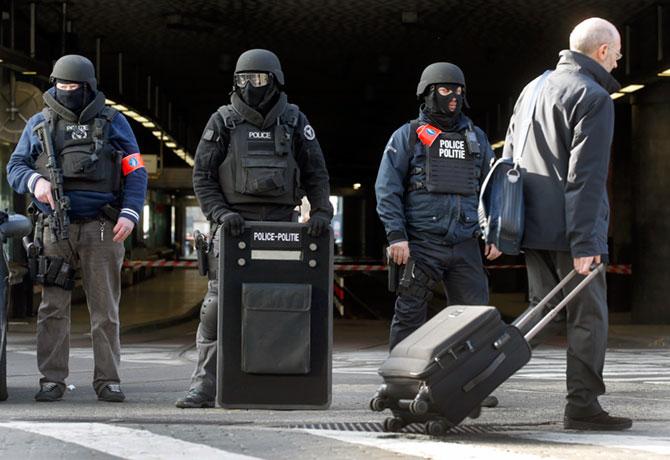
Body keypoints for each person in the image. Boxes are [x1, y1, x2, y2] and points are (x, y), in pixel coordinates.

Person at [176, 49, 333, 408]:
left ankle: (282, 384)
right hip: (233, 227)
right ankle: (203, 387)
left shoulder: (294, 121)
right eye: (244, 79)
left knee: (283, 304)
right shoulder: (223, 121)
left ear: (275, 81)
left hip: (283, 225)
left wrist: (322, 212)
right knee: (215, 310)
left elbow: (315, 172)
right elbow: (202, 175)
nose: (250, 86)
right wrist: (218, 213)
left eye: (258, 79)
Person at [503, 18, 631, 431]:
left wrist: (502, 224)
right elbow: (585, 178)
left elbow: (508, 158)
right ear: (601, 52)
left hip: (530, 226)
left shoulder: (533, 88)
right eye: (617, 51)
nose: (620, 58)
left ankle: (471, 375)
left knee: (539, 316)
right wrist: (586, 241)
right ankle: (582, 406)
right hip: (569, 231)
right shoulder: (593, 97)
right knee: (588, 318)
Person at [6, 54, 148, 402]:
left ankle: (108, 380)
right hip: (55, 228)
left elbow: (135, 168)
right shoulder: (39, 123)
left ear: (88, 87)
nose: (66, 91)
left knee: (106, 310)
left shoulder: (114, 121)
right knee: (53, 308)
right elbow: (15, 165)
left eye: (73, 86)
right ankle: (51, 379)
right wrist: (35, 180)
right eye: (61, 85)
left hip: (103, 226)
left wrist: (130, 211)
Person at [375, 62, 498, 349]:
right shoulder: (407, 136)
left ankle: (470, 388)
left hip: (466, 242)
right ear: (428, 93)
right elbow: (387, 188)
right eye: (445, 89)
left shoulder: (476, 138)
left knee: (475, 318)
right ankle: (396, 387)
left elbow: (492, 189)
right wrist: (397, 235)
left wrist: (496, 232)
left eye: (458, 90)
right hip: (422, 244)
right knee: (409, 316)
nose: (453, 96)